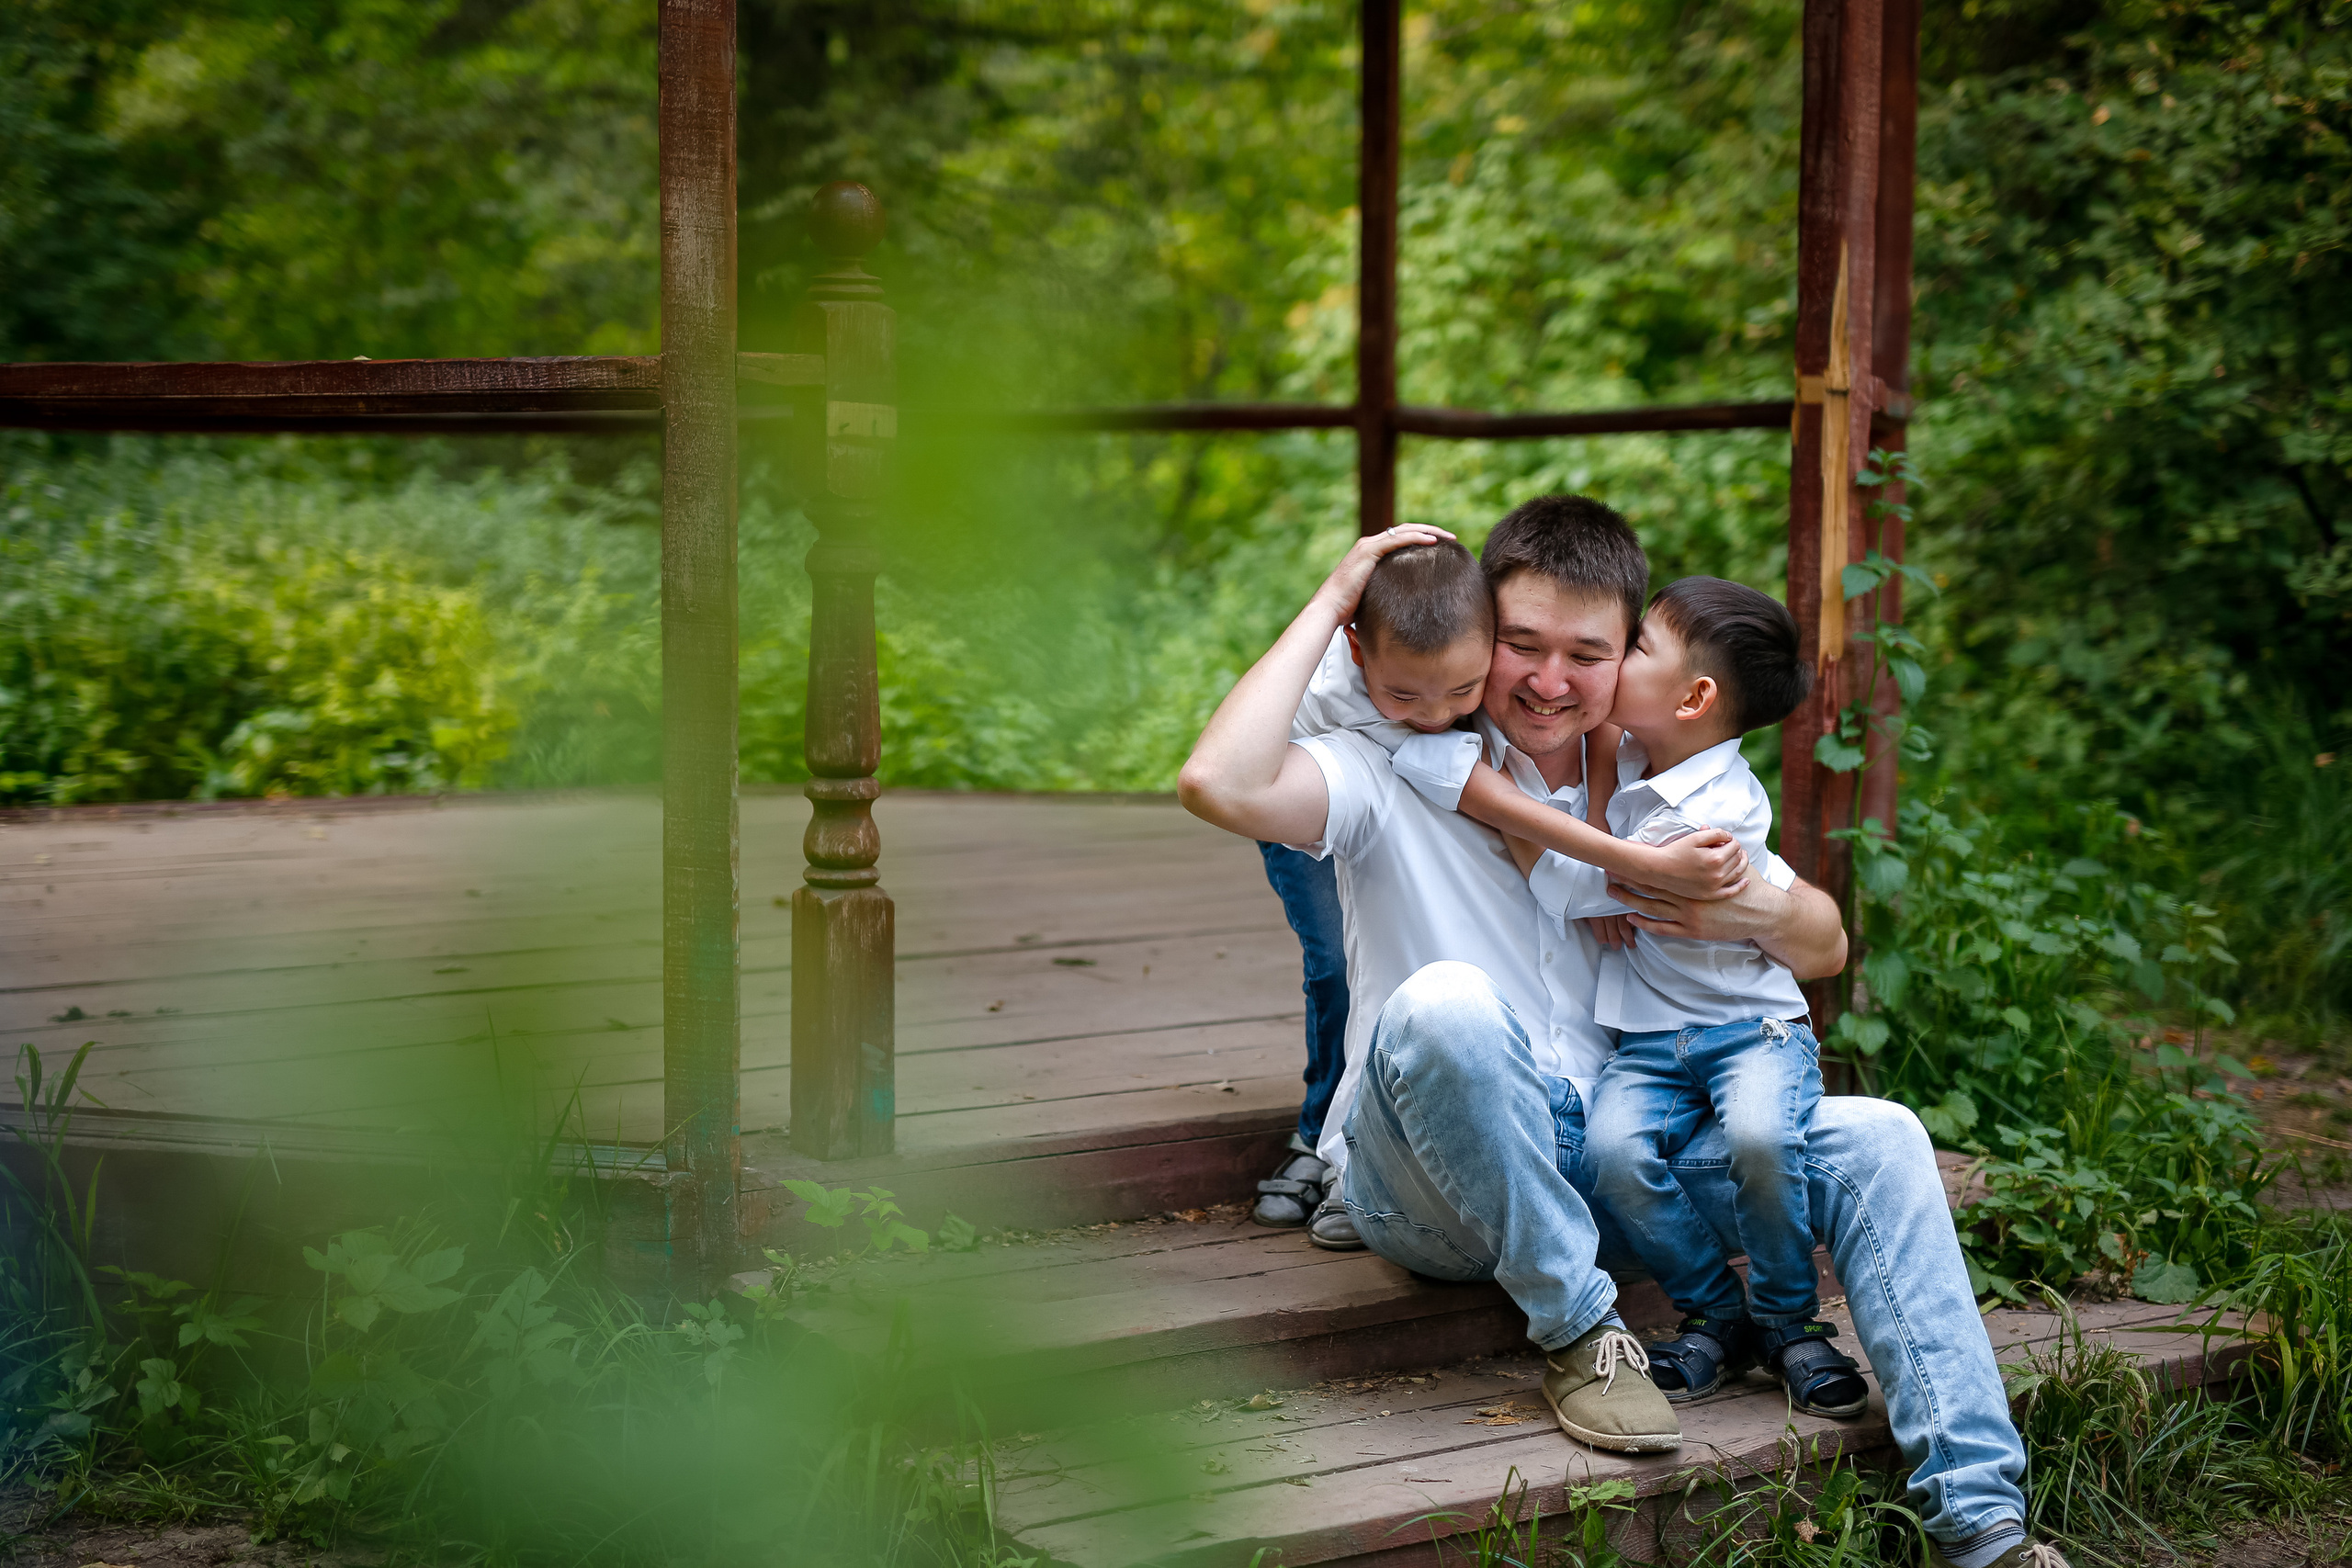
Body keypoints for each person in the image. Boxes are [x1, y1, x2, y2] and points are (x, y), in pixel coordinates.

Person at [1180, 497, 2061, 1568]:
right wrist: (1337, 594)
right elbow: (1216, 783)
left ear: (1625, 659)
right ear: (1476, 632)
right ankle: (1580, 1334)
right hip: (1428, 1187)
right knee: (1447, 1002)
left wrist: (1750, 912)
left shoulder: (1657, 790)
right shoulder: (1387, 767)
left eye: (1587, 654)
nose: (1550, 681)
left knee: (1879, 1135)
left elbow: (1823, 941)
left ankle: (1986, 1525)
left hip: (1609, 1156)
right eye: (1523, 646)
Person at [1413, 574, 1864, 1416]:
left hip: (1747, 1028)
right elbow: (1602, 747)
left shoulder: (1714, 812)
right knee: (1615, 1157)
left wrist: (1485, 791)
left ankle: (1790, 1321)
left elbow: (1570, 888)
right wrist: (1598, 830)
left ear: (1694, 697)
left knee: (1764, 1140)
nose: (1612, 664)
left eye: (1636, 648)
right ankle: (1713, 1309)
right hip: (1651, 1038)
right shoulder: (1641, 752)